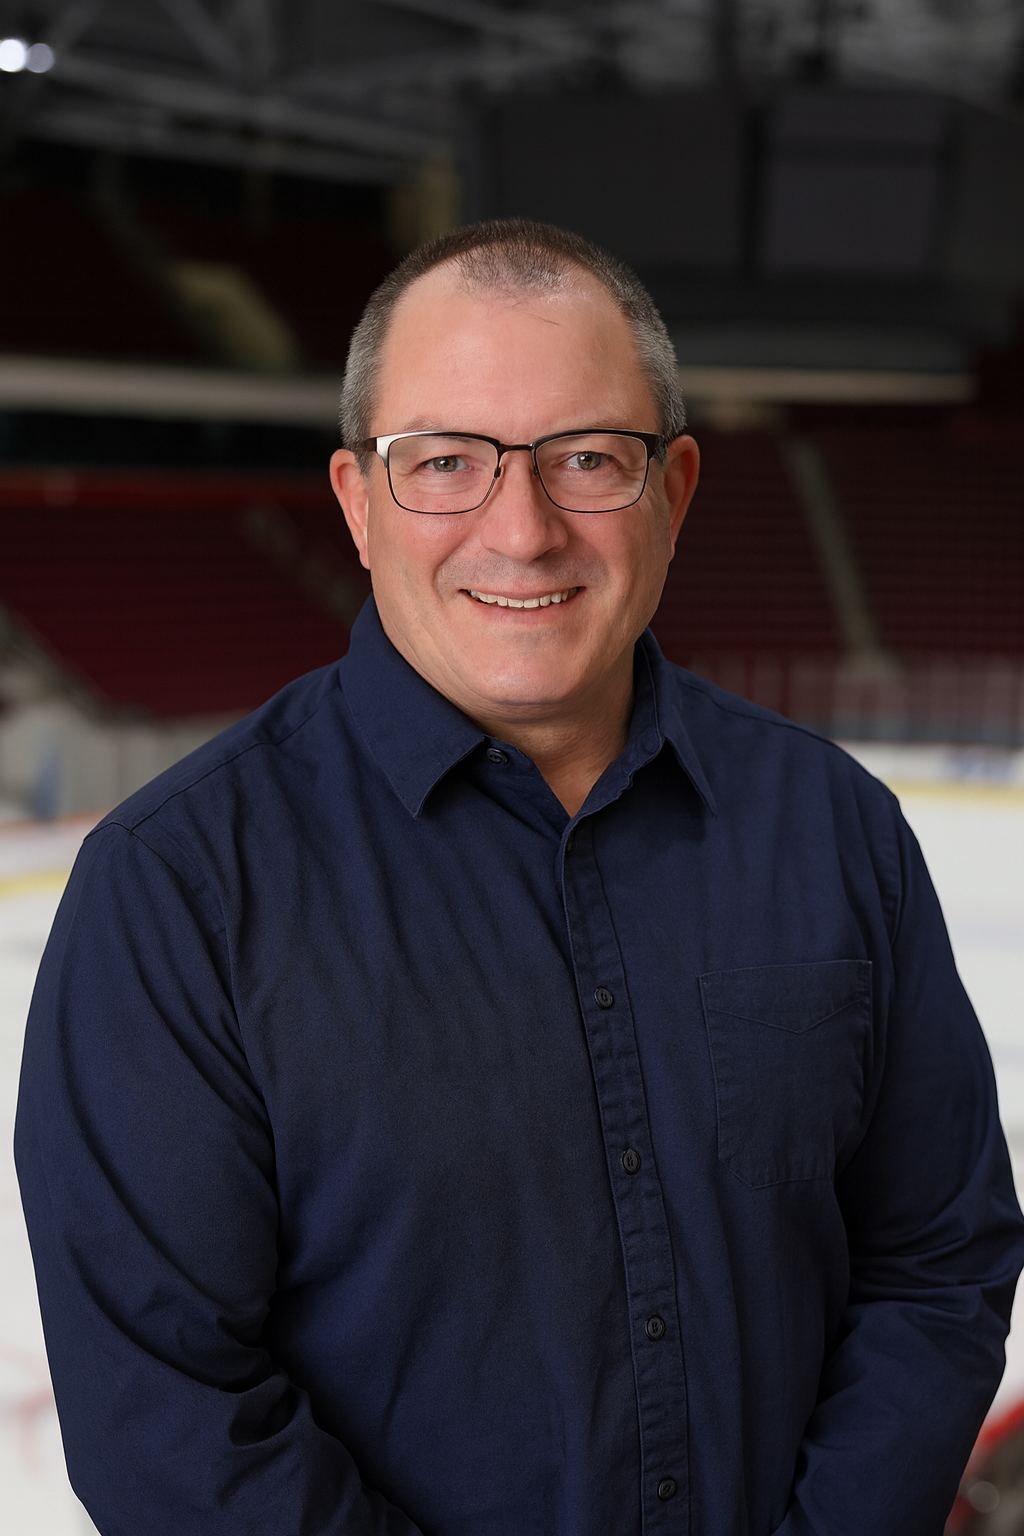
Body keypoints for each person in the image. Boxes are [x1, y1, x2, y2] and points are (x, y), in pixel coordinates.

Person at [15, 218, 1024, 1536]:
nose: (523, 529)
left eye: (587, 459)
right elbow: (171, 1417)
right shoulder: (176, 893)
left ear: (675, 491)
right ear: (355, 502)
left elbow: (936, 1258)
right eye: (444, 462)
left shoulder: (834, 826)